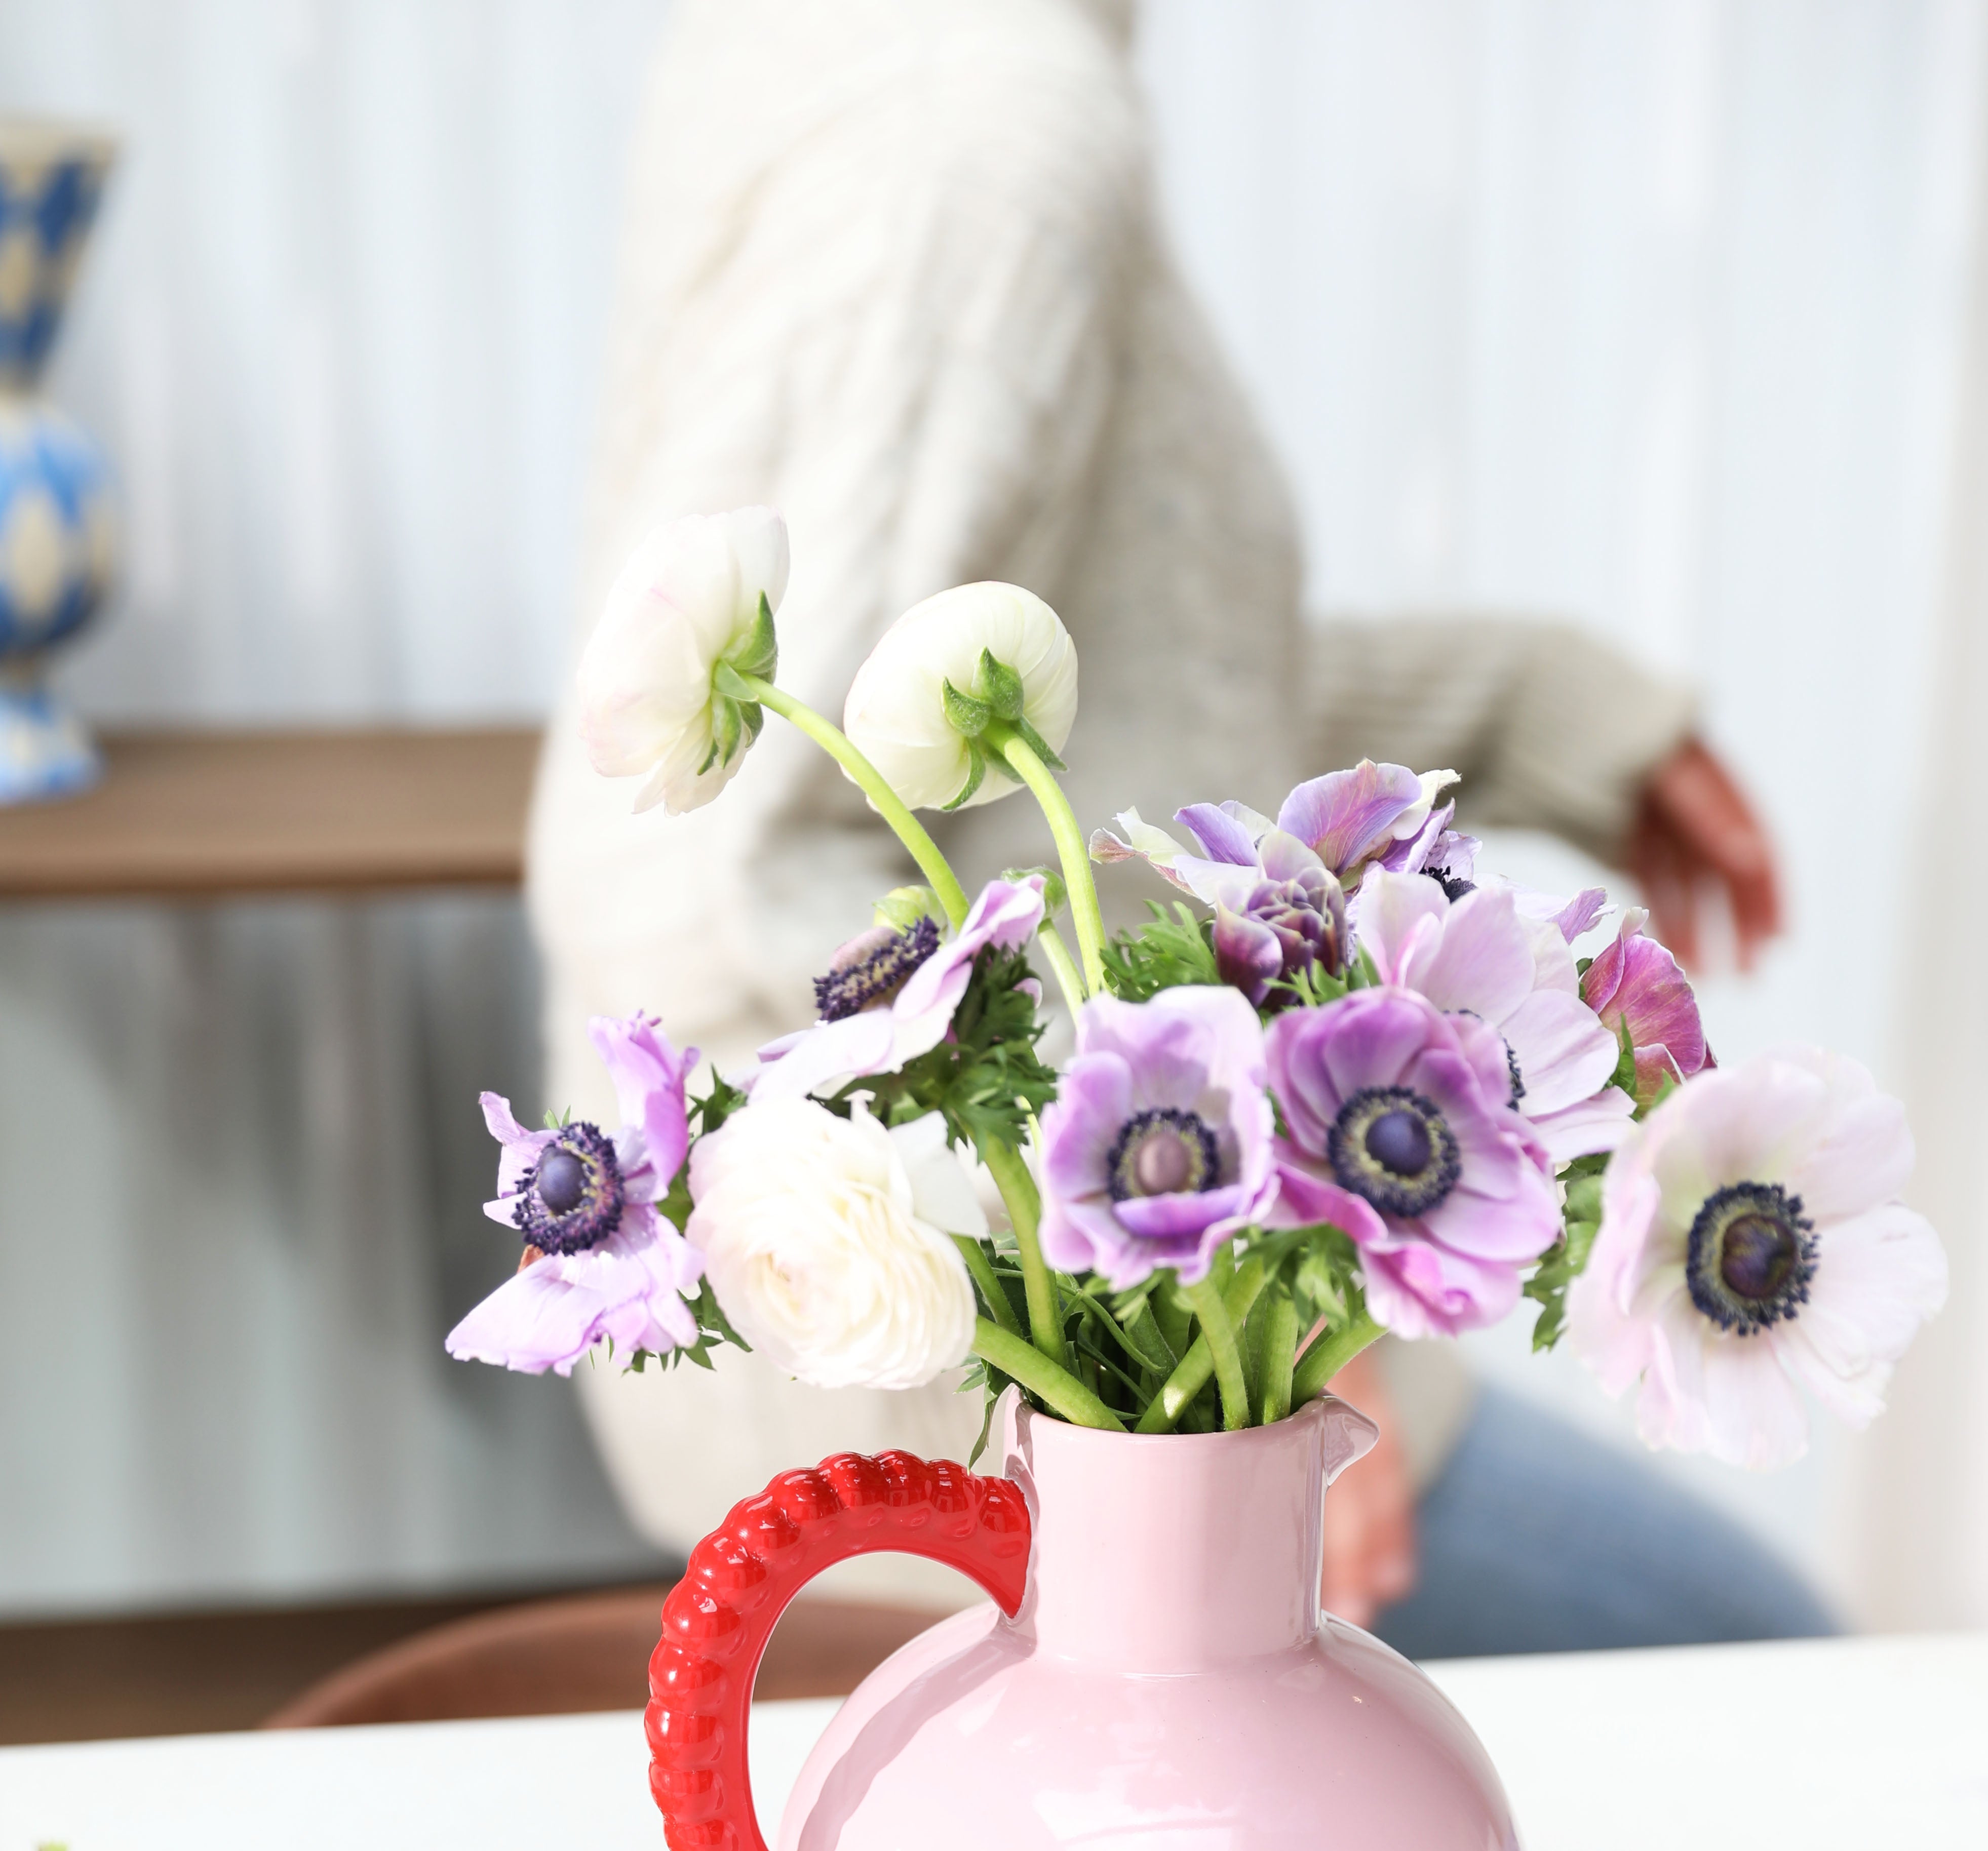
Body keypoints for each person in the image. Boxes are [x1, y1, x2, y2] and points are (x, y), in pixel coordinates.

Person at [528, 0, 1830, 1647]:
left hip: (1130, 1321)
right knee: (1772, 1660)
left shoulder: (884, 60)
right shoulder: (979, 123)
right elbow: (705, 877)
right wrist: (1243, 1308)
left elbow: (1109, 701)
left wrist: (1523, 705)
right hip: (1030, 1390)